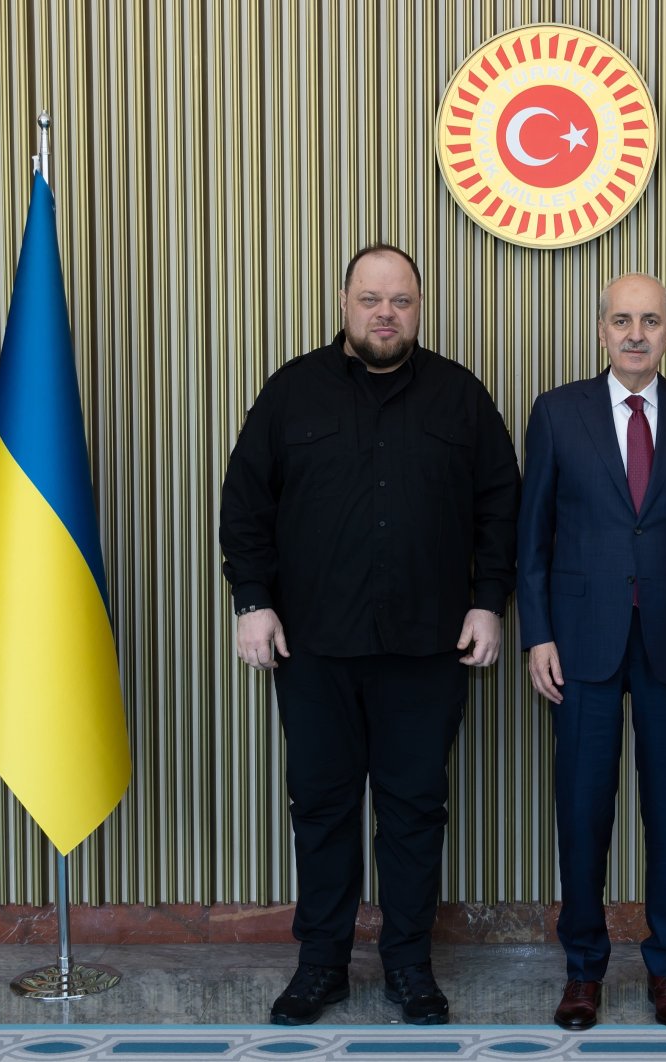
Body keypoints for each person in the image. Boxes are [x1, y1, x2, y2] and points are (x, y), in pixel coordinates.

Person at [219, 243, 520, 1026]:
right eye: (370, 299)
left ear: (419, 308)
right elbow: (245, 503)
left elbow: (501, 508)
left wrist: (490, 603)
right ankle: (320, 966)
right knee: (321, 809)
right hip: (313, 648)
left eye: (401, 301)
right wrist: (253, 600)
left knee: (414, 812)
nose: (385, 313)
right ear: (345, 302)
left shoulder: (460, 396)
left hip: (428, 650)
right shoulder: (291, 392)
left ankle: (409, 968)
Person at [517, 272, 666, 1030]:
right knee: (582, 810)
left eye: (650, 320)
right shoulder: (557, 414)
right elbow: (534, 540)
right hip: (580, 643)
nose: (635, 334)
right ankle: (583, 971)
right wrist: (538, 633)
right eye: (621, 319)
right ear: (599, 328)